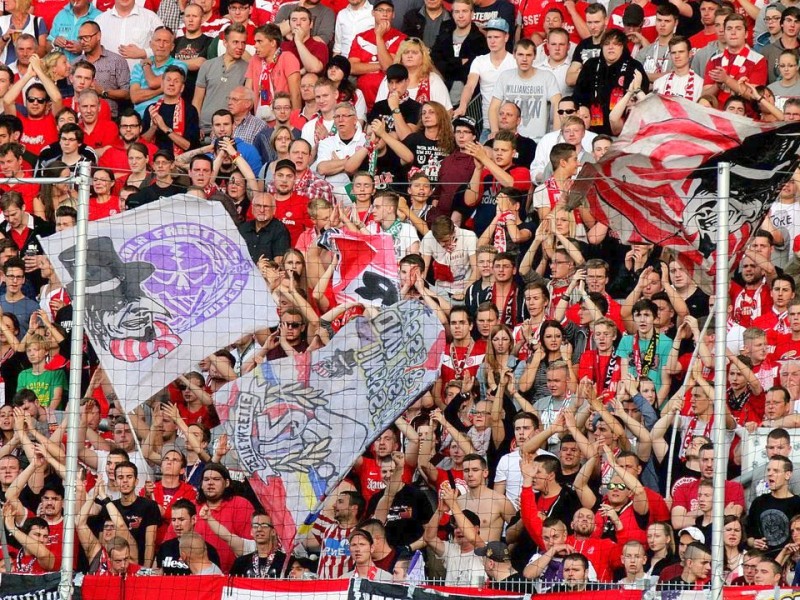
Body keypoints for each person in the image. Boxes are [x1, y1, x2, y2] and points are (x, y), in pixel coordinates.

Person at [573, 29, 649, 134]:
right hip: (593, 130)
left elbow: (641, 98)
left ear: (623, 46)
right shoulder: (591, 65)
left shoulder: (634, 66)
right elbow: (579, 96)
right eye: (606, 44)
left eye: (615, 44)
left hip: (623, 129)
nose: (610, 47)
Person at [453, 19, 515, 138]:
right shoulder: (479, 61)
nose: (492, 41)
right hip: (488, 126)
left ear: (506, 37)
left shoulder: (514, 61)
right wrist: (463, 105)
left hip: (512, 127)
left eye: (496, 37)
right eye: (489, 37)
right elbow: (470, 86)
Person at [489, 39, 560, 141]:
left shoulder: (547, 77)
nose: (524, 59)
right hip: (509, 139)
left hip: (538, 140)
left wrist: (555, 135)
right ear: (514, 55)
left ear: (535, 56)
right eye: (520, 54)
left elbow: (558, 104)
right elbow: (494, 107)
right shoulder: (505, 76)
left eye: (529, 55)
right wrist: (495, 131)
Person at [347, 0, 406, 109]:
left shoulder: (401, 38)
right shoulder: (361, 37)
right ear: (373, 13)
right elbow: (352, 67)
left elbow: (389, 68)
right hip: (362, 100)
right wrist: (380, 65)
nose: (384, 14)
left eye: (388, 10)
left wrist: (379, 36)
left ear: (393, 15)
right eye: (380, 10)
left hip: (389, 101)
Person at [193, 23, 249, 137]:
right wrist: (196, 126)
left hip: (231, 131)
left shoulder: (248, 68)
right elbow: (197, 101)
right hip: (204, 131)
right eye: (235, 42)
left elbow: (247, 104)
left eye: (243, 43)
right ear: (225, 42)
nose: (240, 47)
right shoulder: (207, 65)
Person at [430, 0, 487, 106]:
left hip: (470, 102)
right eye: (457, 12)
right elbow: (434, 60)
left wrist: (447, 64)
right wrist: (459, 62)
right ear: (452, 14)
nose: (460, 16)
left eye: (464, 11)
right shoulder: (444, 36)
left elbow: (469, 70)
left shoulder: (479, 40)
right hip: (441, 97)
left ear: (472, 13)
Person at [156, 499, 221, 575]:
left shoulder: (208, 550)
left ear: (193, 519)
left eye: (181, 519)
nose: (177, 524)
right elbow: (160, 574)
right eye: (173, 520)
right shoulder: (165, 547)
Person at [229, 512, 287, 577]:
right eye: (255, 526)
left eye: (264, 526)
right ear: (251, 532)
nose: (259, 529)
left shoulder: (285, 562)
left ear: (273, 532)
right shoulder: (241, 563)